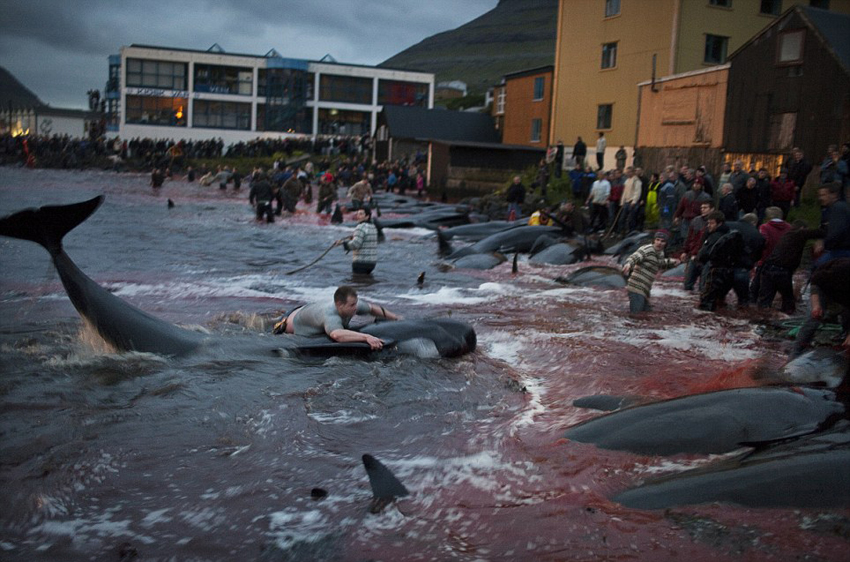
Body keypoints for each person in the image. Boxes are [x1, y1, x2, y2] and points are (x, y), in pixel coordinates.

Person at [273, 286, 401, 350]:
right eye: (352, 305)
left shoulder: (353, 304)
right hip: (286, 323)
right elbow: (337, 335)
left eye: (356, 303)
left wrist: (395, 318)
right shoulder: (330, 314)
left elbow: (372, 308)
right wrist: (367, 337)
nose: (356, 308)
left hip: (306, 310)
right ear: (339, 304)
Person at [622, 230, 679, 313]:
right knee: (636, 315)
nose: (659, 243)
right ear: (654, 240)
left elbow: (659, 263)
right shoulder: (647, 249)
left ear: (666, 243)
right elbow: (635, 256)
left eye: (662, 241)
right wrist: (628, 264)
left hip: (645, 289)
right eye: (657, 240)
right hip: (636, 287)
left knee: (646, 313)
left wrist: (672, 262)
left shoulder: (660, 253)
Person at [697, 211, 743, 311]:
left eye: (711, 223)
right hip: (729, 272)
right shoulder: (732, 235)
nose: (709, 226)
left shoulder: (714, 237)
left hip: (714, 270)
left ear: (720, 223)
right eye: (708, 223)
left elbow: (703, 255)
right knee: (719, 300)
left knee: (706, 301)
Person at [338, 208, 378, 274]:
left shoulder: (360, 227)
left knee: (357, 282)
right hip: (372, 263)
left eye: (361, 214)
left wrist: (342, 243)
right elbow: (366, 240)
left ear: (367, 216)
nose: (358, 216)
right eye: (357, 214)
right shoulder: (373, 227)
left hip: (361, 262)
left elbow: (355, 244)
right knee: (366, 282)